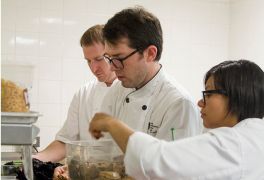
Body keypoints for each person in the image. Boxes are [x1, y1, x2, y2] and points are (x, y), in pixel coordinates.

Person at [89, 60, 264, 179]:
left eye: (209, 93)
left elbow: (156, 160)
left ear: (237, 97)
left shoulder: (236, 143)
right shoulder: (252, 135)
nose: (200, 102)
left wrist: (111, 123)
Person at [100, 6, 202, 141]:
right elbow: (104, 147)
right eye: (109, 59)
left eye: (119, 58)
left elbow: (171, 161)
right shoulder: (116, 91)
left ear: (150, 54)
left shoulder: (179, 104)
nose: (112, 68)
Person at [34, 25, 117, 163]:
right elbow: (65, 142)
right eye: (88, 61)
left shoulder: (130, 90)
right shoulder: (84, 93)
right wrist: (33, 160)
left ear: (112, 53)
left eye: (98, 59)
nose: (94, 68)